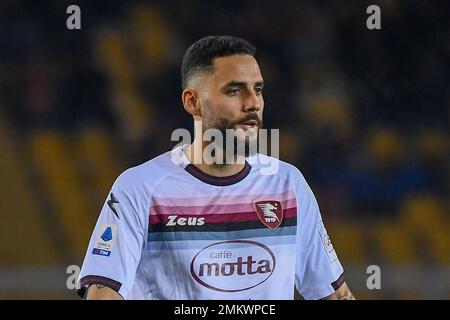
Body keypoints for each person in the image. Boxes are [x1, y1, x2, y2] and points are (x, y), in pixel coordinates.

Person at [77, 35, 354, 300]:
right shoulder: (140, 187)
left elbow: (334, 294)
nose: (253, 103)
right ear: (192, 101)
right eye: (234, 90)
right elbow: (104, 292)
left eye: (257, 89)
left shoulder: (288, 184)